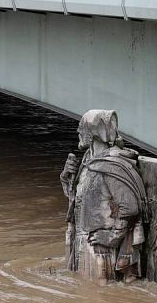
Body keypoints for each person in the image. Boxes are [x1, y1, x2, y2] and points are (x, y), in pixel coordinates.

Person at [60, 110, 147, 284]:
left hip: (101, 250)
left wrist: (112, 237)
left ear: (93, 133)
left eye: (82, 127)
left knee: (100, 293)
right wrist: (66, 177)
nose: (78, 131)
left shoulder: (112, 165)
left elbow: (130, 208)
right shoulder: (89, 161)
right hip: (85, 242)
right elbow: (80, 200)